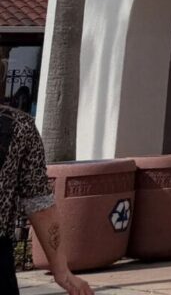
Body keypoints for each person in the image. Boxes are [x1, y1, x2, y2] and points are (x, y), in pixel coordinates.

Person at [0, 105, 90, 295]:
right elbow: (38, 202)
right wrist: (61, 270)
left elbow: (38, 202)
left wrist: (61, 270)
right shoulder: (19, 125)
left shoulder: (19, 127)